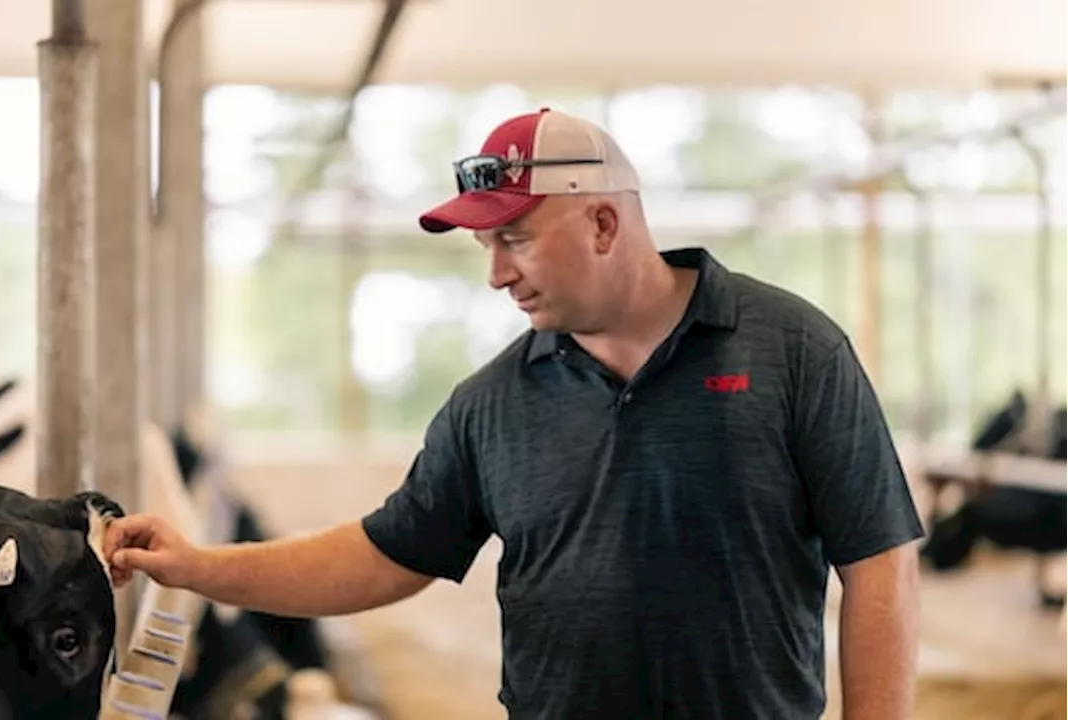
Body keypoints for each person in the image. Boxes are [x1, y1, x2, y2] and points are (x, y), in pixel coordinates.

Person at [103, 108, 924, 719]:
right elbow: (382, 557)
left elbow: (878, 566)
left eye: (517, 240)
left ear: (604, 221)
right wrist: (199, 564)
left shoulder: (793, 351)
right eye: (484, 249)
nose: (497, 274)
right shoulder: (492, 404)